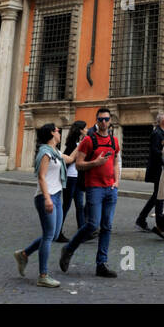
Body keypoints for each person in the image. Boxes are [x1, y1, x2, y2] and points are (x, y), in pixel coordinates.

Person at [59, 107, 120, 278]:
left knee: (107, 226)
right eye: (100, 119)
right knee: (93, 224)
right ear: (97, 120)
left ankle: (101, 264)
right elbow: (78, 164)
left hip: (111, 189)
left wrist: (117, 181)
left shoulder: (114, 141)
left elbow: (116, 162)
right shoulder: (88, 140)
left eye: (106, 119)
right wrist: (96, 162)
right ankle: (69, 248)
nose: (103, 122)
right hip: (94, 187)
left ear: (110, 121)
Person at [14, 123, 64, 287]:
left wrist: (83, 141)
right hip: (45, 197)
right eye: (57, 130)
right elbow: (41, 177)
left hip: (56, 196)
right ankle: (43, 275)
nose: (59, 132)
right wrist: (48, 198)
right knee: (49, 236)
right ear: (52, 133)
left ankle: (24, 254)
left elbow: (70, 159)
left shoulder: (56, 152)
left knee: (54, 235)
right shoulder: (45, 153)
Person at [54, 120, 88, 242]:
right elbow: (67, 159)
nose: (87, 130)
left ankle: (82, 232)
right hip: (70, 177)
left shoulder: (81, 142)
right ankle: (58, 231)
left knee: (79, 205)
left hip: (78, 178)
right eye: (85, 128)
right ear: (80, 130)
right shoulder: (72, 144)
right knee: (66, 205)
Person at [136, 114, 164, 235]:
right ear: (161, 122)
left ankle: (141, 219)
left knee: (157, 196)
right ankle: (159, 224)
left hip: (161, 168)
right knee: (159, 196)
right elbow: (155, 150)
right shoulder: (156, 133)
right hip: (157, 169)